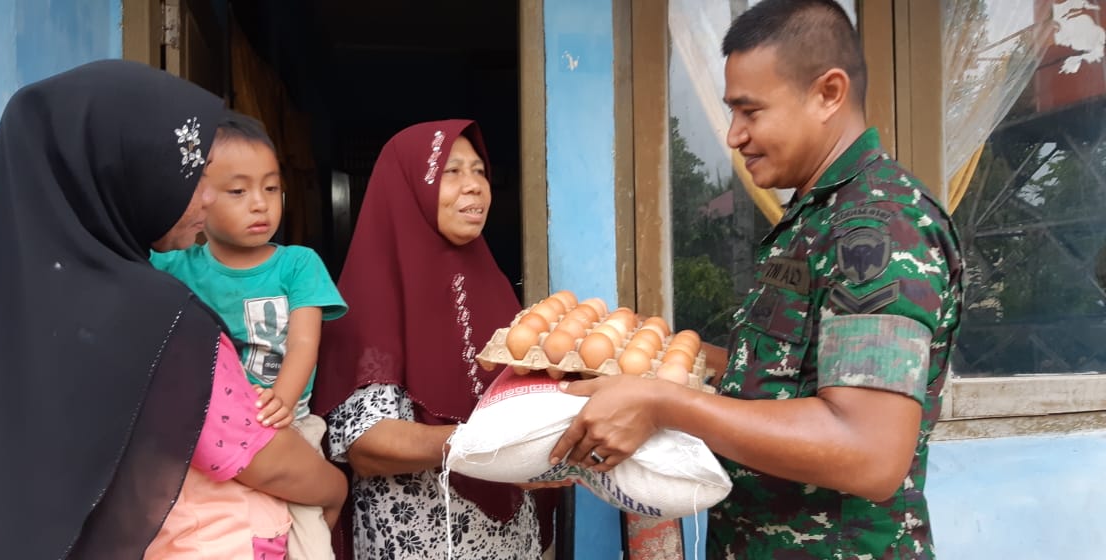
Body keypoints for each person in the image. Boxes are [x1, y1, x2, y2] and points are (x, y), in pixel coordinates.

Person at [547, 1, 965, 558]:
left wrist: (664, 405)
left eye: (750, 111)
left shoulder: (879, 229)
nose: (734, 136)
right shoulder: (815, 217)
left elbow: (868, 450)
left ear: (828, 94)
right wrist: (650, 362)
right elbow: (784, 377)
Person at [0, 59, 347, 559]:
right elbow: (253, 453)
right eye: (184, 172)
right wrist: (334, 486)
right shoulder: (158, 314)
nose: (205, 199)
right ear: (123, 174)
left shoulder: (21, 309)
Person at [313, 120, 555, 559]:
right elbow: (367, 444)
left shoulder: (493, 285)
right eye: (452, 171)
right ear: (410, 185)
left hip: (507, 539)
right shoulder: (371, 292)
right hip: (418, 539)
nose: (475, 186)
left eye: (480, 171)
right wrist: (487, 448)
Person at [151, 111, 348, 560]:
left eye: (272, 188)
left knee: (309, 541)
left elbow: (304, 343)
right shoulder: (176, 265)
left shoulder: (297, 264)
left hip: (287, 423)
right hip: (208, 438)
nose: (260, 203)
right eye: (238, 191)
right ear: (197, 199)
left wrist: (283, 397)